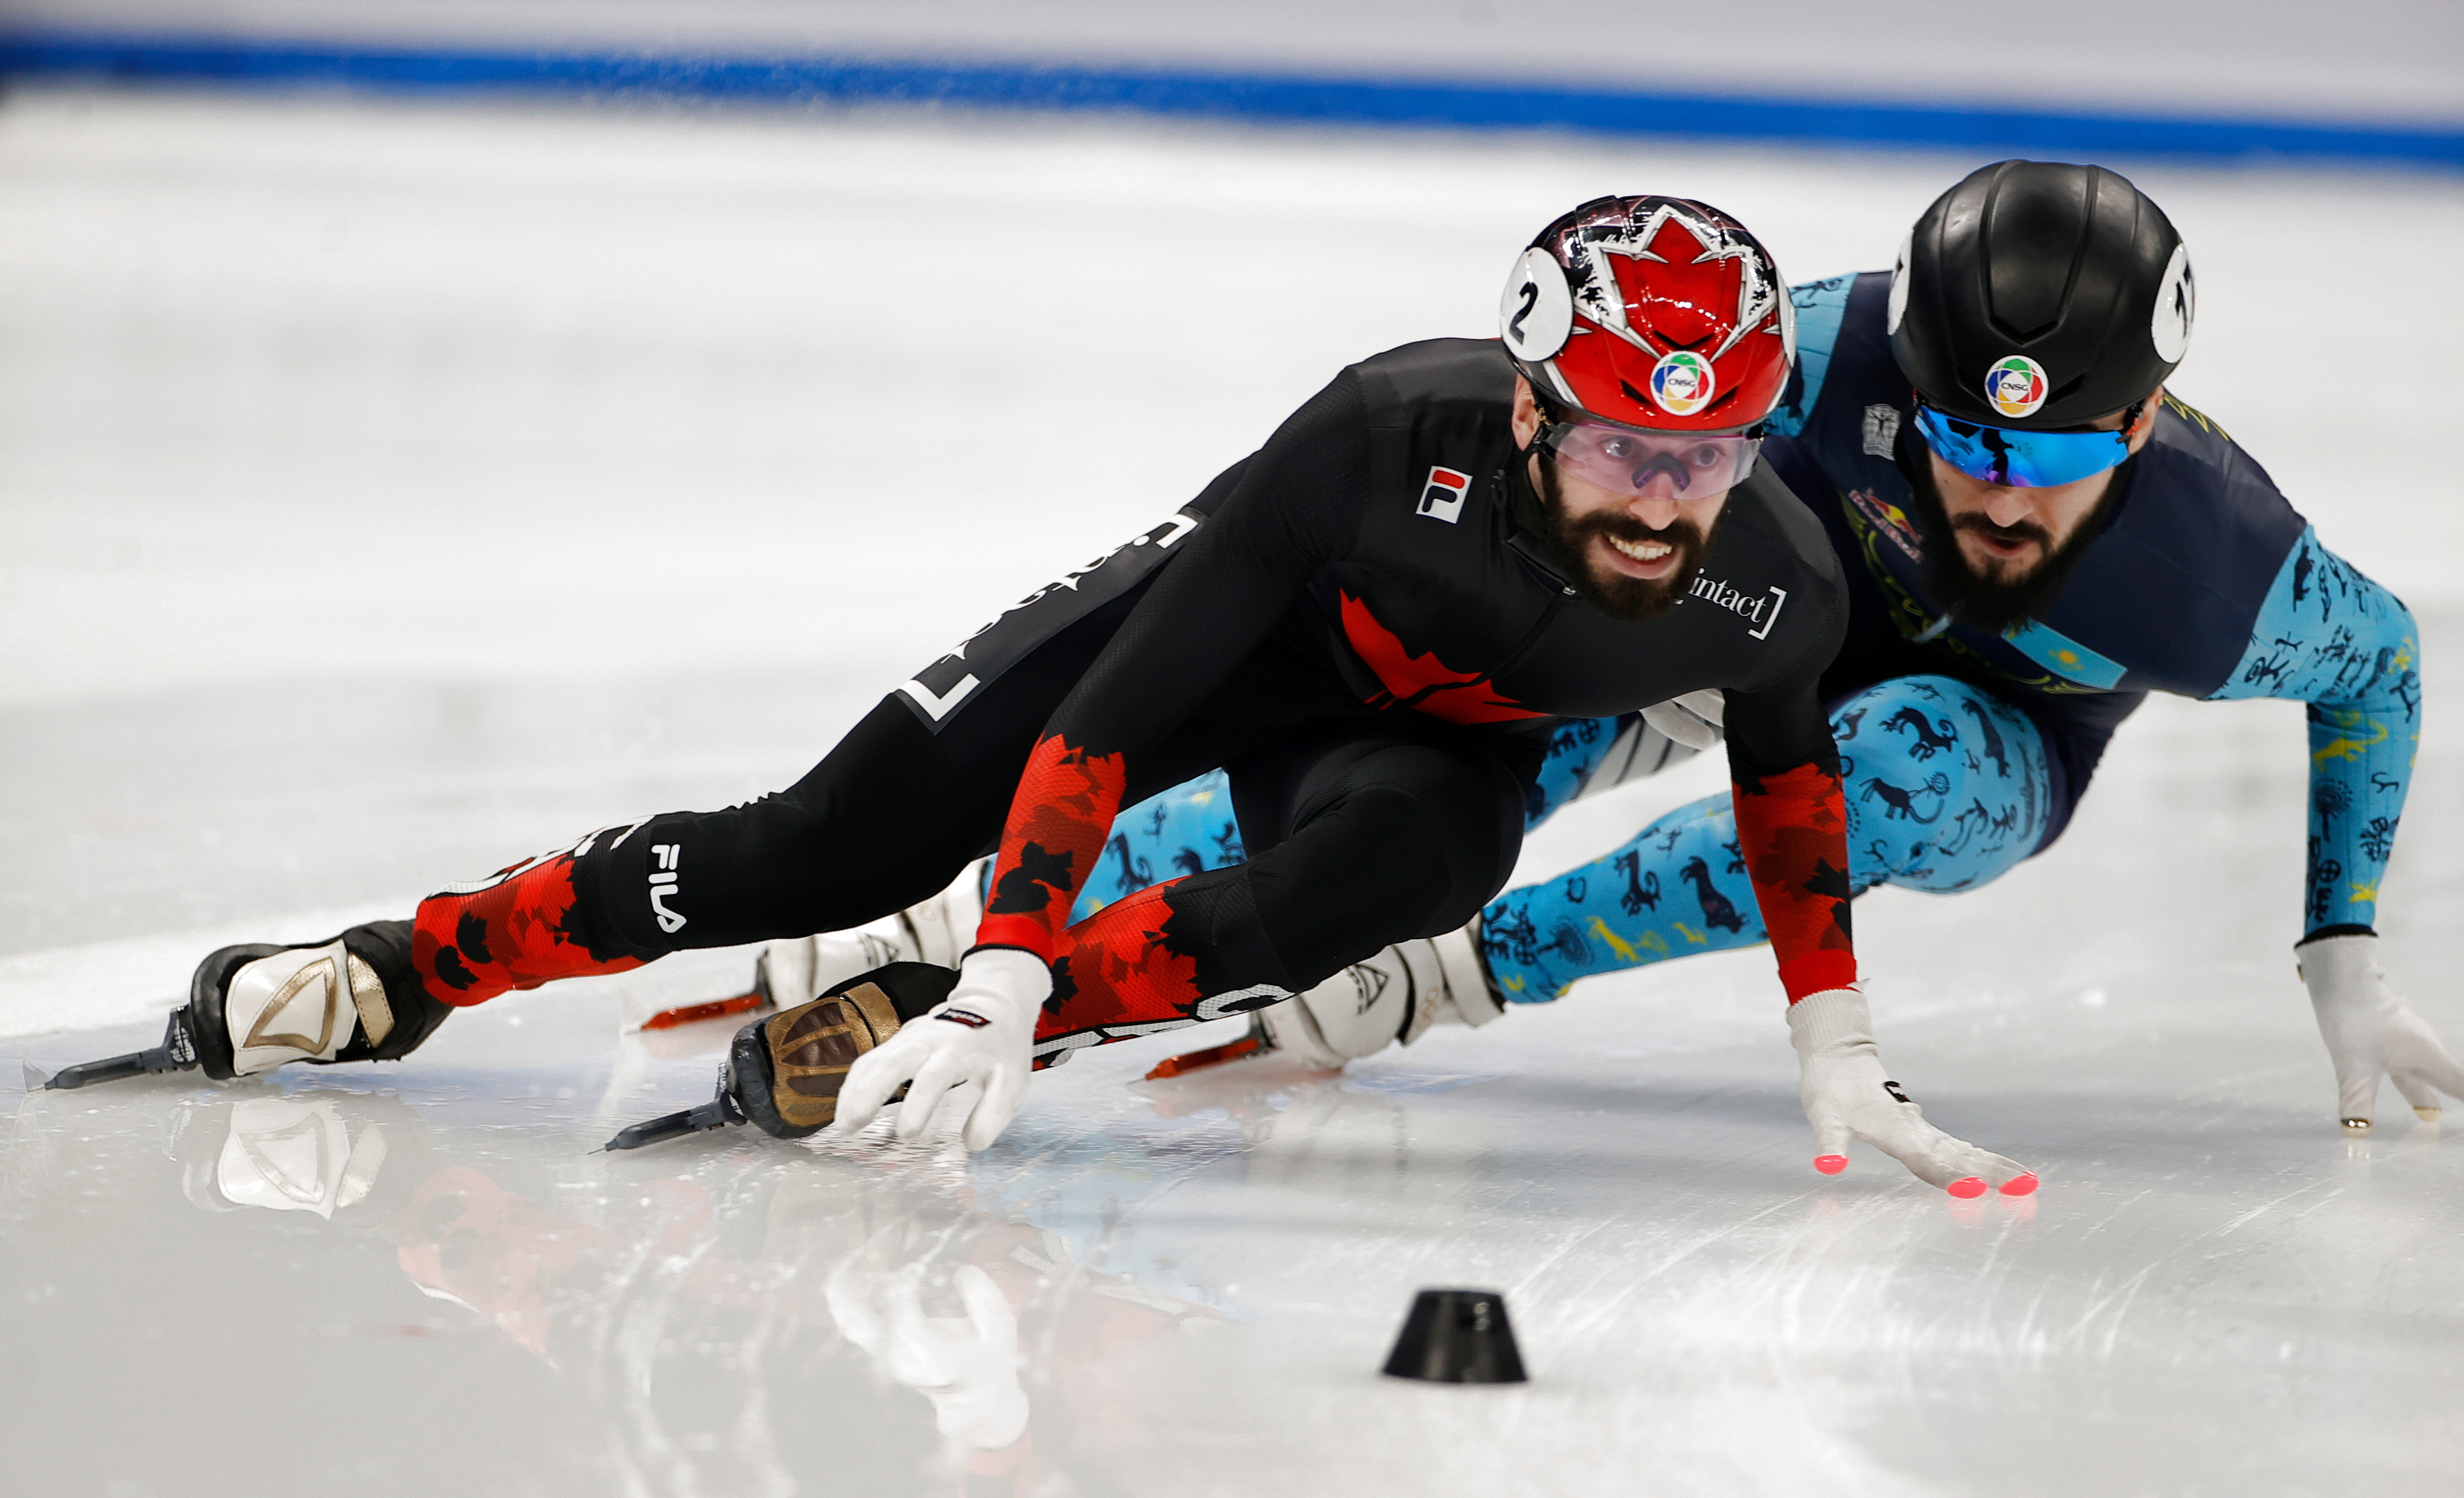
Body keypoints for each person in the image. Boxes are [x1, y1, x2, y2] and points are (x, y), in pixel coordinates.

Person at [54, 195, 2036, 1197]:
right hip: (1230, 631)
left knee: (1411, 867)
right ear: (1529, 412)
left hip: (1419, 741)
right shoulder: (1371, 437)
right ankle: (411, 964)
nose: (1671, 504)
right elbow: (1115, 717)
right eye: (1624, 453)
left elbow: (1792, 799)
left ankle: (945, 1021)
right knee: (822, 844)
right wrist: (1009, 946)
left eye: (1712, 457)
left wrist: (1832, 1039)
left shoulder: (1769, 572)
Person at [909, 159, 2455, 1135]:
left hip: (1998, 735)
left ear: (2143, 424)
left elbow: (2380, 671)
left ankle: (1453, 976)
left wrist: (2340, 941)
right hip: (1743, 639)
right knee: (1537, 657)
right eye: (1954, 437)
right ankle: (972, 911)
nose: (1996, 490)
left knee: (1900, 767)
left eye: (2055, 467)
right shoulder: (1813, 347)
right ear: (1897, 367)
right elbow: (1579, 435)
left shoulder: (2224, 571)